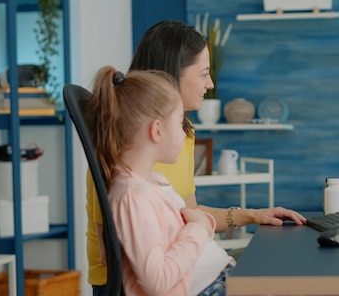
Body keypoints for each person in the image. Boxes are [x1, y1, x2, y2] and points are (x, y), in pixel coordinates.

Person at [86, 20, 307, 294]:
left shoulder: (181, 139)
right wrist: (198, 233)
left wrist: (251, 215)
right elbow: (117, 256)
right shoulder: (119, 160)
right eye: (203, 73)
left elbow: (188, 214)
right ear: (170, 75)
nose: (210, 83)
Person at [86, 67, 234, 295]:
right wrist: (199, 229)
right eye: (179, 123)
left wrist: (203, 225)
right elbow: (157, 281)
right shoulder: (132, 197)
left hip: (219, 278)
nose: (185, 133)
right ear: (157, 130)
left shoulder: (150, 183)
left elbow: (182, 228)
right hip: (210, 287)